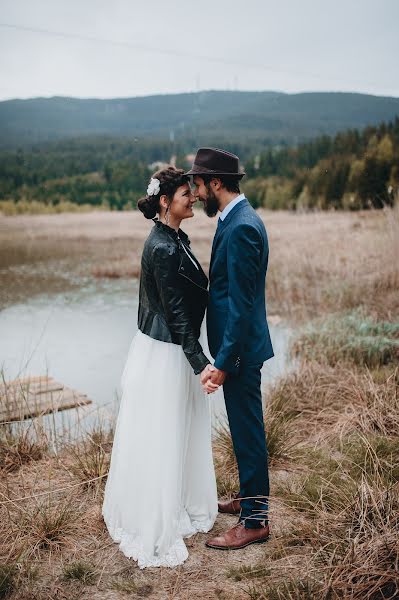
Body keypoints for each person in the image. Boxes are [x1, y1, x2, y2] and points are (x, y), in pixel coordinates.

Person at [102, 166, 218, 568]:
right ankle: (154, 518)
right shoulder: (163, 248)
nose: (194, 198)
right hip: (165, 354)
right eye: (187, 194)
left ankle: (179, 501)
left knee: (174, 429)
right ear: (166, 202)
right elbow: (176, 316)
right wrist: (200, 363)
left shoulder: (174, 237)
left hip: (167, 350)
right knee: (163, 433)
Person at [186, 147, 274, 550]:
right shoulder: (235, 217)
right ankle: (247, 497)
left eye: (200, 184)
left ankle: (255, 519)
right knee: (243, 428)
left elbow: (240, 306)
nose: (197, 192)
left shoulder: (240, 227)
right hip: (238, 347)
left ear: (216, 183)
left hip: (239, 350)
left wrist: (223, 361)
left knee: (248, 429)